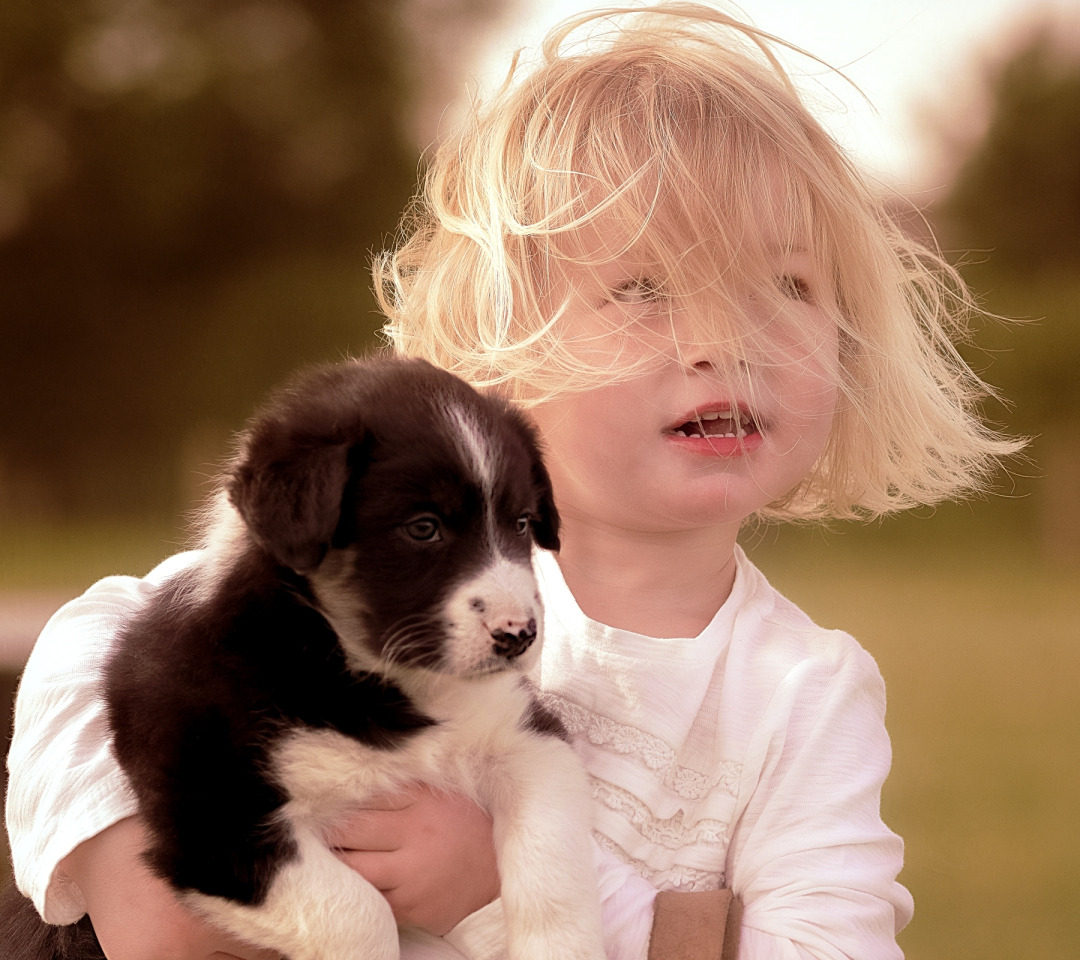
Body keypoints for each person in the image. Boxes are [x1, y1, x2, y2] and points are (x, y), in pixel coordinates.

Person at [6, 4, 1021, 959]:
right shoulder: (405, 572)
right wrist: (111, 849)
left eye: (788, 285)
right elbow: (98, 641)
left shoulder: (804, 695)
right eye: (643, 289)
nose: (727, 340)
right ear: (507, 345)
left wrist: (500, 886)